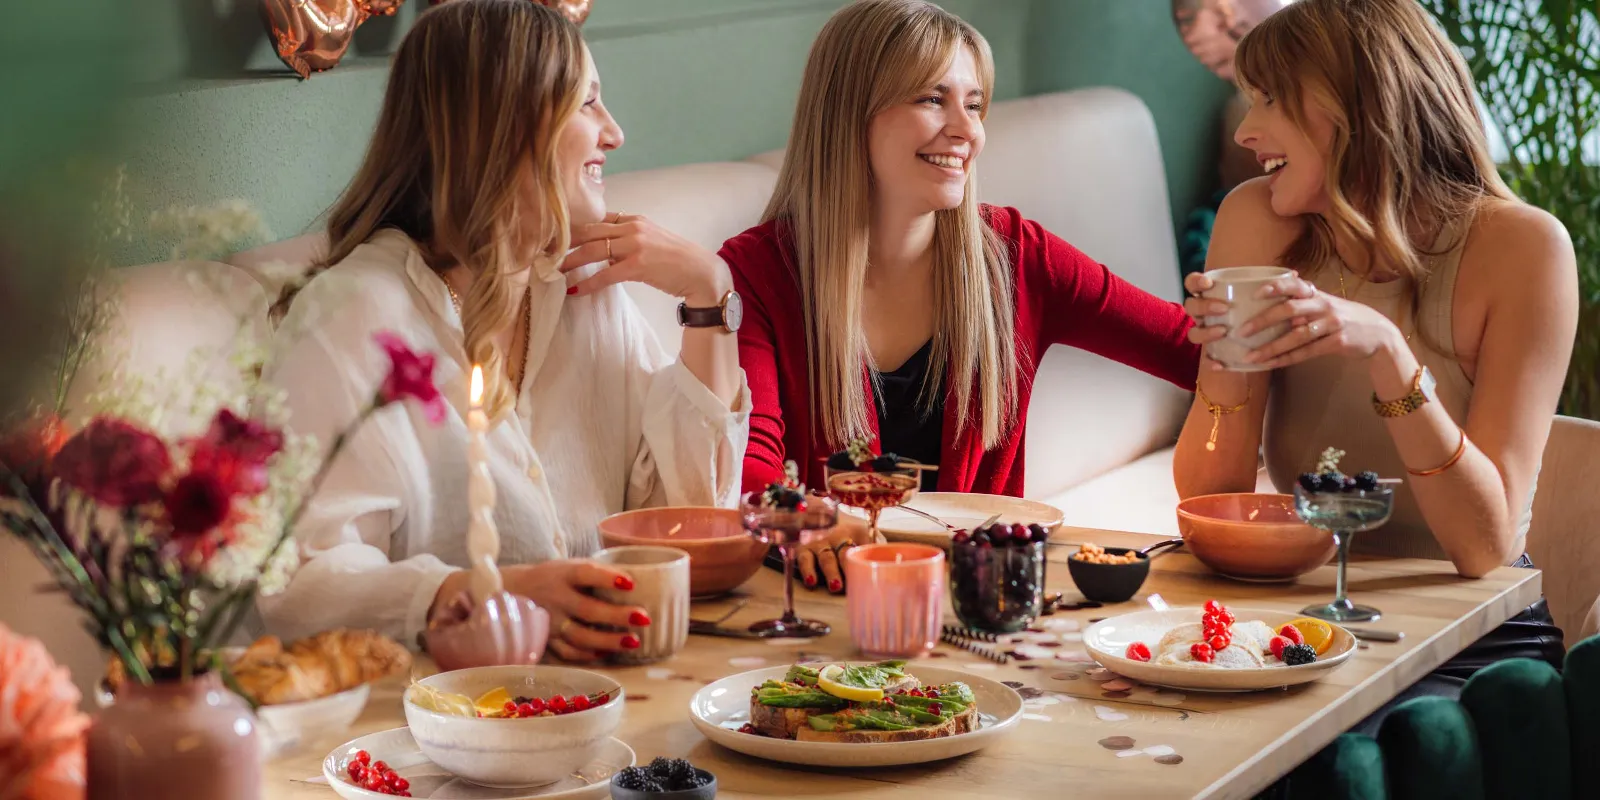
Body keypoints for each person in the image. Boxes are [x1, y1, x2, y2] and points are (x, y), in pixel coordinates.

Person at [260, 0, 749, 663]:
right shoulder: (354, 314)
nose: (614, 133)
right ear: (506, 125)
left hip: (607, 695)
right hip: (434, 725)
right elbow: (295, 583)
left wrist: (708, 295)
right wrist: (484, 592)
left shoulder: (581, 288)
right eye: (587, 105)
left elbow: (685, 525)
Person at [1173, 0, 1575, 718]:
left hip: (1469, 640)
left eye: (1268, 99)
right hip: (1306, 621)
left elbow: (1482, 547)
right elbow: (1208, 497)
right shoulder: (1257, 218)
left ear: (1353, 106)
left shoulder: (1523, 249)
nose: (1245, 130)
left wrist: (1391, 355)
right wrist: (1230, 358)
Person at [722, 0, 1201, 593]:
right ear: (850, 113)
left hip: (978, 608)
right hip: (823, 608)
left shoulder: (1017, 256)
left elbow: (1193, 351)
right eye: (932, 98)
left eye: (974, 104)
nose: (967, 130)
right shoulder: (757, 271)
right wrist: (806, 520)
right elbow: (748, 460)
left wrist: (1321, 325)